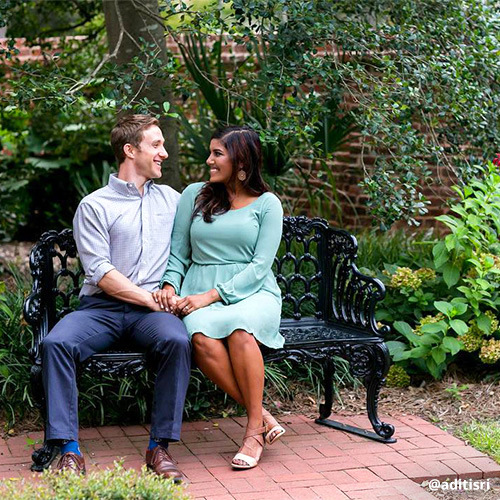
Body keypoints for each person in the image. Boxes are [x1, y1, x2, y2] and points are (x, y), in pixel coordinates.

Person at [40, 115, 190, 481]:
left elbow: (185, 252)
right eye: (155, 145)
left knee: (176, 340)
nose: (164, 153)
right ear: (130, 150)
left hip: (152, 314)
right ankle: (69, 450)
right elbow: (102, 274)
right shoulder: (95, 205)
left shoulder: (172, 200)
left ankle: (160, 447)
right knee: (56, 343)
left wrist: (171, 289)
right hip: (102, 309)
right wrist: (153, 300)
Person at [153, 125, 285, 470]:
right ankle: (261, 416)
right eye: (210, 153)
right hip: (198, 288)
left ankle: (252, 434)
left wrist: (210, 297)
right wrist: (170, 285)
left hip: (252, 292)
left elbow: (259, 267)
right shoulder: (195, 194)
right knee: (200, 338)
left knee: (242, 331)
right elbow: (179, 251)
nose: (208, 160)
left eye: (217, 154)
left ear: (241, 159)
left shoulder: (268, 204)